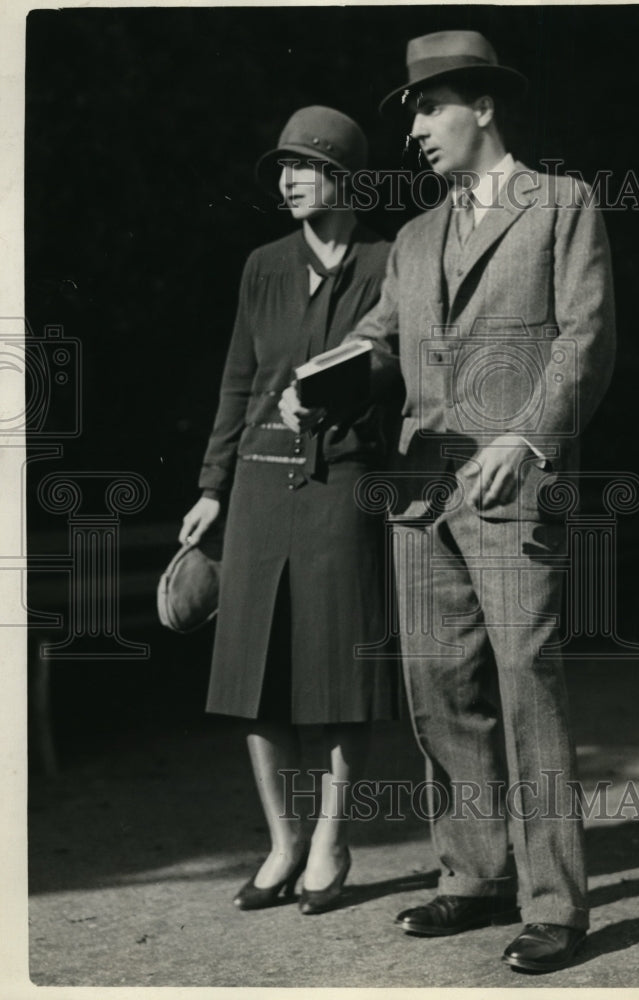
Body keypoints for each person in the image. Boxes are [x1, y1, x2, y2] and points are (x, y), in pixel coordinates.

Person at [282, 30, 616, 972]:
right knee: (438, 690)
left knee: (525, 688)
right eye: (413, 114)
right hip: (420, 491)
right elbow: (380, 343)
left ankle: (555, 903)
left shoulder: (561, 205)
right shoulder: (418, 236)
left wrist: (525, 440)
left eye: (430, 107)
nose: (419, 129)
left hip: (515, 485)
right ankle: (473, 875)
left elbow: (583, 343)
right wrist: (320, 376)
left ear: (483, 106)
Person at [180, 106, 398, 916]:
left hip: (343, 487)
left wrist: (350, 411)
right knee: (255, 676)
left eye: (303, 166)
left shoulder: (389, 261)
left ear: (344, 175)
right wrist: (210, 488)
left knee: (337, 678)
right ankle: (282, 844)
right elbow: (239, 382)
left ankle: (332, 845)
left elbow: (400, 377)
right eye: (281, 168)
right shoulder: (262, 265)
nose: (287, 181)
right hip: (260, 492)